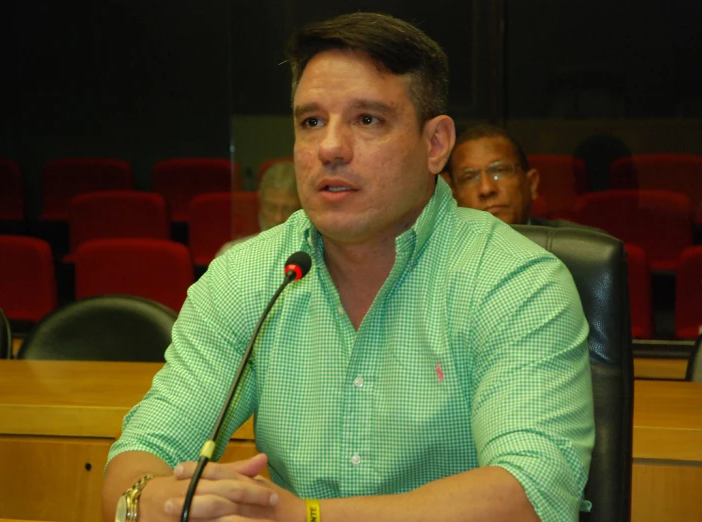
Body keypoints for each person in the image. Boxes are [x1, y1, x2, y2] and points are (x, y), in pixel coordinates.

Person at [104, 12, 594, 522]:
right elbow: (140, 453)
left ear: (435, 145)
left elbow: (531, 494)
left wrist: (307, 518)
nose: (330, 148)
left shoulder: (516, 281)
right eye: (311, 122)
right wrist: (151, 501)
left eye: (367, 120)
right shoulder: (248, 278)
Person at [445, 124, 600, 230]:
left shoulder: (586, 249)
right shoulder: (438, 258)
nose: (486, 188)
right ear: (454, 195)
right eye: (469, 177)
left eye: (500, 170)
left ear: (532, 183)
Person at [216, 161, 301, 257]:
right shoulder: (230, 255)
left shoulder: (317, 255)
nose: (278, 218)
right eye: (270, 208)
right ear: (261, 206)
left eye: (288, 209)